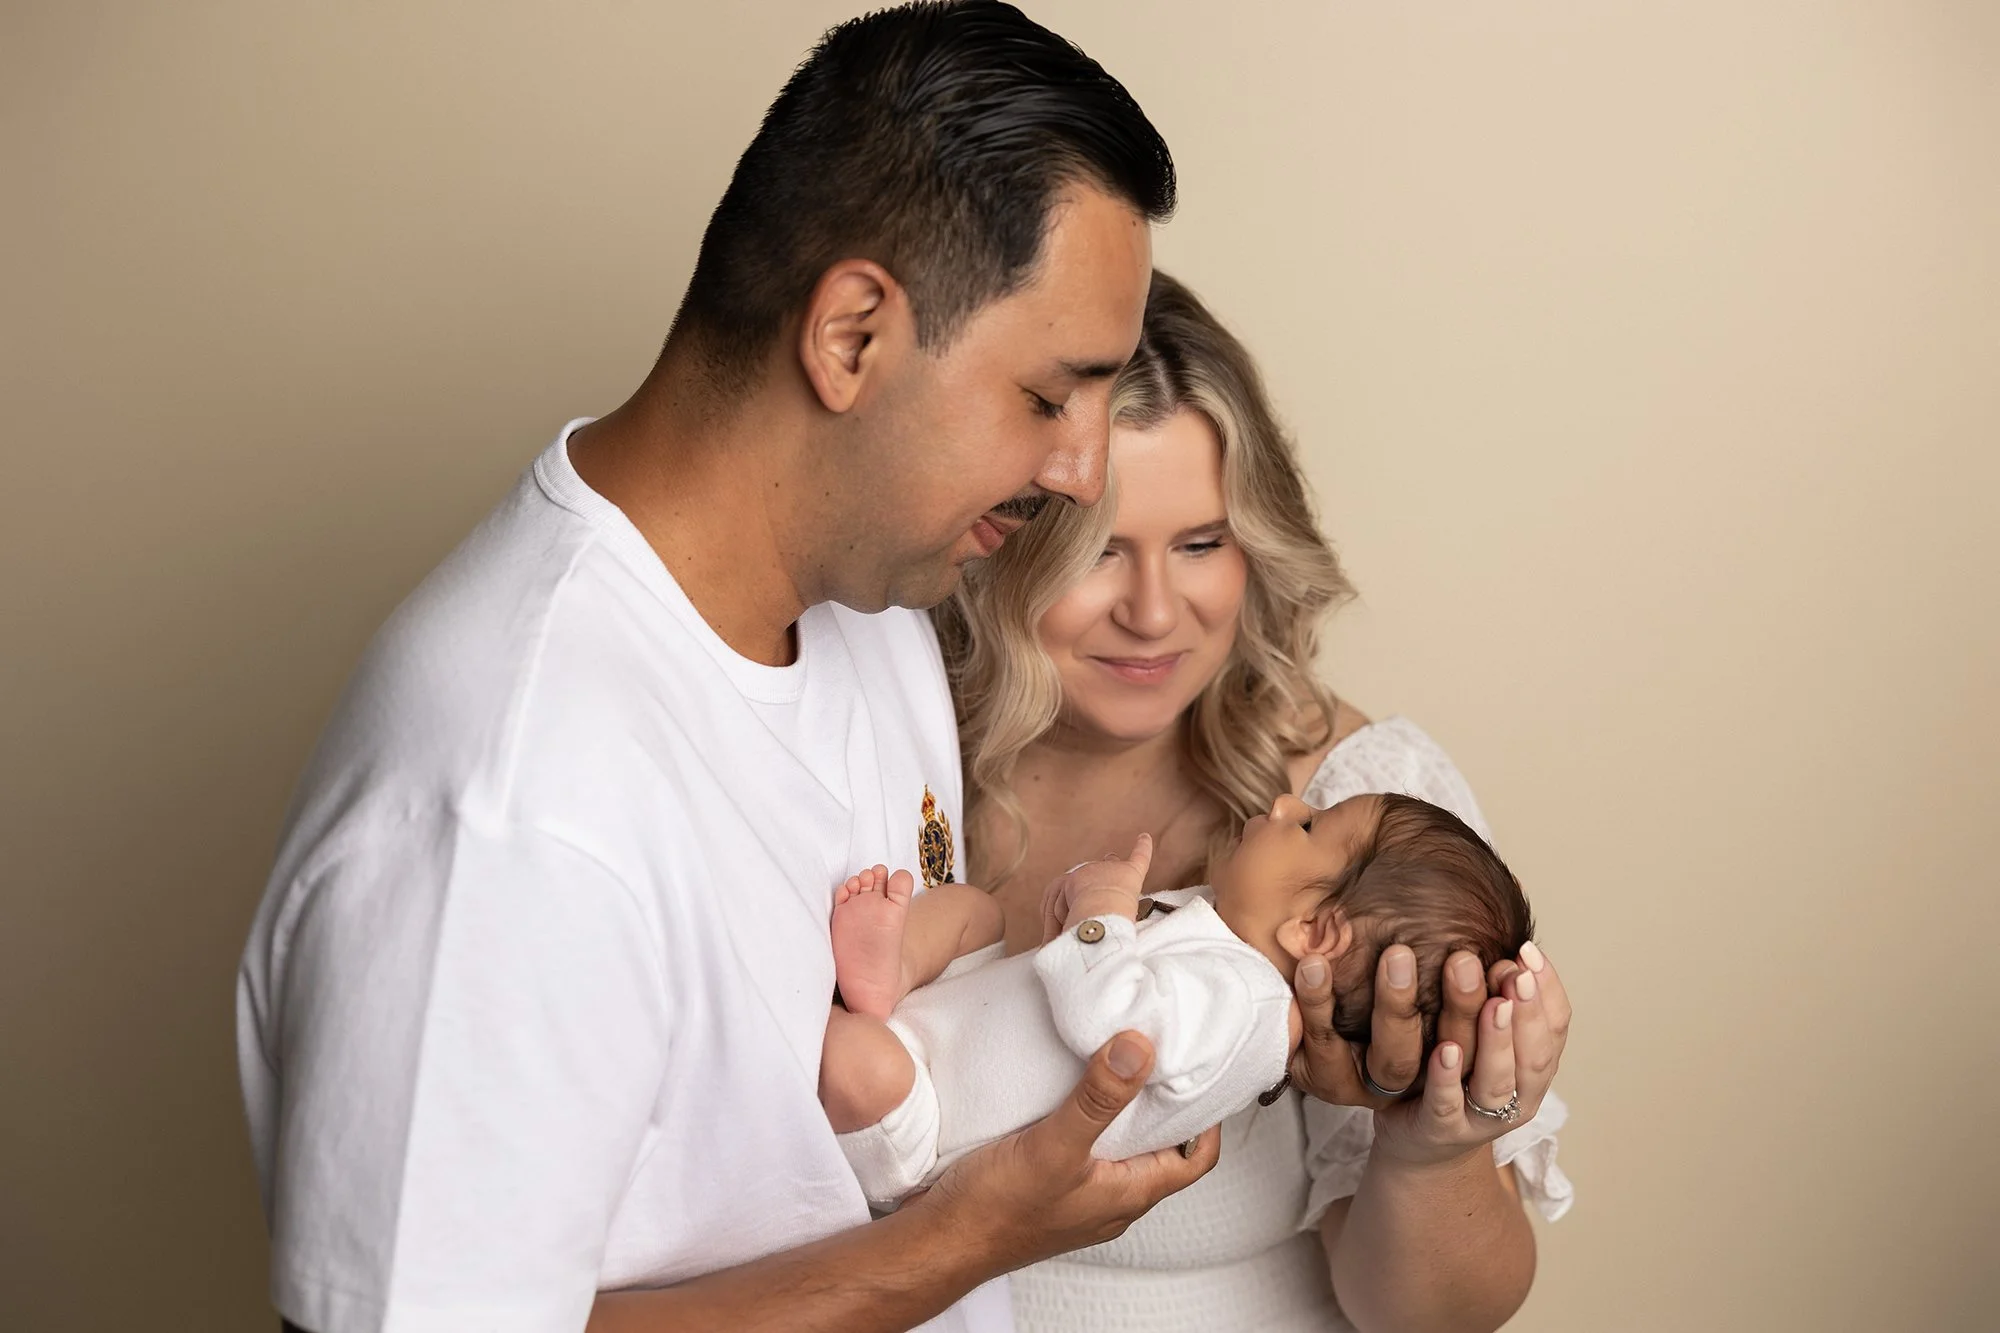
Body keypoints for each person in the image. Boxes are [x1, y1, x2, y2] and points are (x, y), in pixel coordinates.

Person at [234, 7, 1213, 1332]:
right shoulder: (510, 809)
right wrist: (970, 1238)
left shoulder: (876, 612)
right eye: (1051, 396)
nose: (1082, 470)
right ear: (854, 333)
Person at [933, 271, 1576, 1331]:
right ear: (995, 538)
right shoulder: (878, 726)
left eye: (1199, 543)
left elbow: (1437, 1318)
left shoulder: (1359, 801)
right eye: (1095, 551)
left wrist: (1431, 1145)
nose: (1153, 613)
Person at [818, 792, 1536, 1212]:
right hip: (952, 1028)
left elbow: (1115, 1022)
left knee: (855, 1065)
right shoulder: (1226, 935)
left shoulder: (1246, 1009)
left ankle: (875, 1023)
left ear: (1314, 931)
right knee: (975, 912)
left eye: (1311, 826)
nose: (1286, 803)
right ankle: (889, 975)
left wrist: (1102, 908)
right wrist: (1086, 902)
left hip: (935, 1128)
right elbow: (1102, 952)